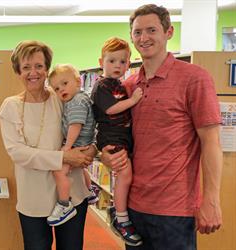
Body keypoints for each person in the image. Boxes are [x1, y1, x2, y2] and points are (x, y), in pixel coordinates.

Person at [101, 4, 223, 250]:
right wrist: (105, 155)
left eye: (151, 30)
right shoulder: (129, 85)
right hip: (134, 206)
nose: (143, 38)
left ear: (169, 32)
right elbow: (118, 132)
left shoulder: (194, 78)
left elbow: (210, 142)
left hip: (174, 209)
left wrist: (211, 199)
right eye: (137, 32)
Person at [0, 40, 94, 250]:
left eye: (39, 66)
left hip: (72, 192)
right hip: (33, 197)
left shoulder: (61, 97)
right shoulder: (11, 106)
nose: (34, 72)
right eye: (26, 67)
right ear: (17, 71)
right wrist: (64, 158)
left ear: (47, 68)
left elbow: (87, 124)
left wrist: (91, 151)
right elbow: (18, 153)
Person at [90, 37, 143, 246]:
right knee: (125, 176)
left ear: (128, 64)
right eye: (111, 61)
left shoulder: (119, 84)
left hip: (121, 136)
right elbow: (111, 109)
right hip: (111, 138)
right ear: (101, 61)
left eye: (122, 62)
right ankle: (121, 218)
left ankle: (118, 210)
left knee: (126, 176)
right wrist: (133, 101)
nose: (117, 66)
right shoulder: (101, 86)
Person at [46, 64, 97, 227]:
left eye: (65, 83)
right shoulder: (80, 98)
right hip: (84, 142)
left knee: (59, 172)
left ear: (78, 81)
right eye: (57, 88)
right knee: (80, 170)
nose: (61, 90)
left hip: (77, 143)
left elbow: (75, 125)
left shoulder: (76, 102)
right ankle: (90, 193)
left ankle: (64, 204)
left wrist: (67, 147)